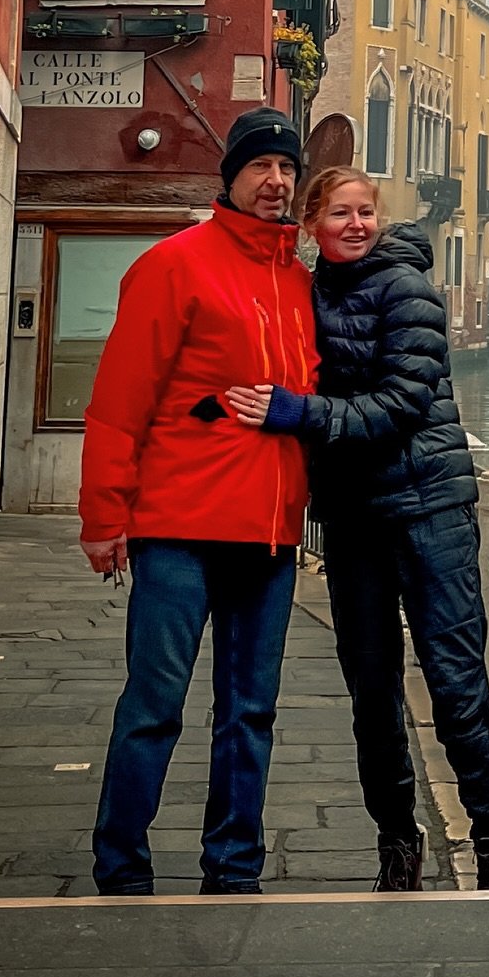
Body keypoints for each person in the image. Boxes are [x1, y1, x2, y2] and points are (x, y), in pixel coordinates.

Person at [227, 168, 489, 892]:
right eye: (340, 214)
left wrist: (300, 414)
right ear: (311, 224)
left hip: (428, 507)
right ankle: (397, 845)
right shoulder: (302, 291)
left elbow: (400, 403)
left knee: (454, 684)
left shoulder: (409, 289)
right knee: (372, 694)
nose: (356, 224)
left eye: (366, 213)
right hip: (355, 517)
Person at [78, 107, 318, 897]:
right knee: (155, 706)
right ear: (232, 178)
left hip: (270, 537)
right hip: (178, 529)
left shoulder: (298, 282)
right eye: (261, 167)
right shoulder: (174, 265)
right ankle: (120, 868)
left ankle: (235, 870)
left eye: (287, 168)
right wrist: (103, 517)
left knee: (250, 715)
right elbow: (119, 402)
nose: (276, 181)